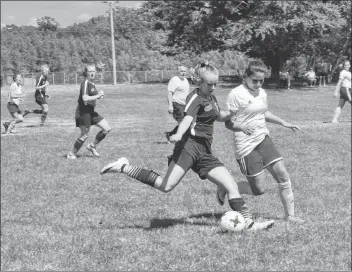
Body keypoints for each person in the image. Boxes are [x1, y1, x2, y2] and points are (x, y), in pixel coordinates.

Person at [100, 62, 275, 231]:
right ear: (199, 82)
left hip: (204, 151)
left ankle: (249, 223)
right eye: (209, 84)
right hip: (188, 148)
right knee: (165, 186)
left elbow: (218, 116)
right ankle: (123, 166)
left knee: (231, 185)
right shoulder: (195, 98)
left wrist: (234, 116)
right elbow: (187, 119)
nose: (213, 87)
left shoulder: (211, 97)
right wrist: (177, 134)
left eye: (215, 84)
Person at [218, 59, 303, 223]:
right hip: (246, 146)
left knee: (283, 176)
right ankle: (226, 187)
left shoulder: (262, 93)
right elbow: (228, 123)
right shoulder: (236, 94)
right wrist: (241, 127)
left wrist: (283, 122)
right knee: (259, 190)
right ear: (246, 76)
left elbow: (263, 113)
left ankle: (290, 216)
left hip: (263, 139)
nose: (258, 84)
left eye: (261, 81)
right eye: (254, 80)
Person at [66, 63, 111, 159]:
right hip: (83, 112)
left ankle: (92, 146)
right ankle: (71, 154)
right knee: (84, 135)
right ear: (86, 72)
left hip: (91, 111)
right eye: (90, 71)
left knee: (106, 128)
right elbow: (85, 98)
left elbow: (93, 96)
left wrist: (99, 94)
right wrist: (98, 95)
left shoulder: (92, 83)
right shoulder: (85, 83)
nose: (92, 73)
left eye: (94, 71)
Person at [165, 65, 190, 141]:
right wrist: (170, 106)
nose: (183, 73)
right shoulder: (174, 80)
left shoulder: (185, 80)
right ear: (178, 72)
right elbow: (169, 93)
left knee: (186, 121)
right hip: (177, 104)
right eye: (181, 71)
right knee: (182, 122)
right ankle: (182, 139)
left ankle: (171, 134)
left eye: (184, 71)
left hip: (185, 104)